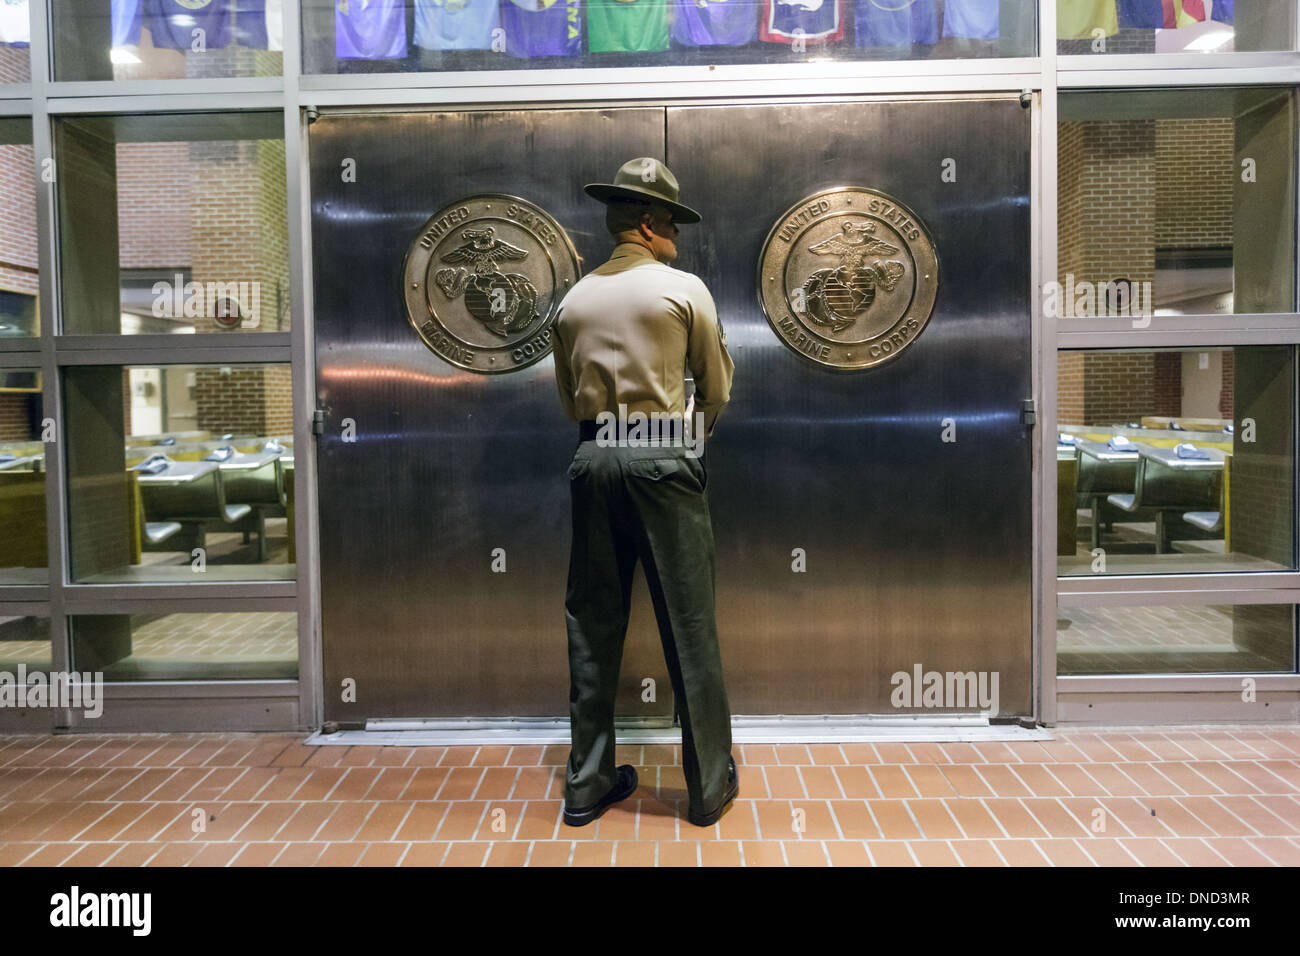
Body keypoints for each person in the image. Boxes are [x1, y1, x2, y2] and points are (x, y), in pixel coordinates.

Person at [551, 157, 738, 828]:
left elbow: (568, 400)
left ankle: (587, 783)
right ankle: (708, 787)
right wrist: (683, 439)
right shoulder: (682, 290)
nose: (678, 236)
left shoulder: (573, 301)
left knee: (593, 624)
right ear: (652, 223)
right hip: (663, 456)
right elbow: (715, 388)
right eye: (674, 224)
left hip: (593, 457)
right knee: (688, 624)